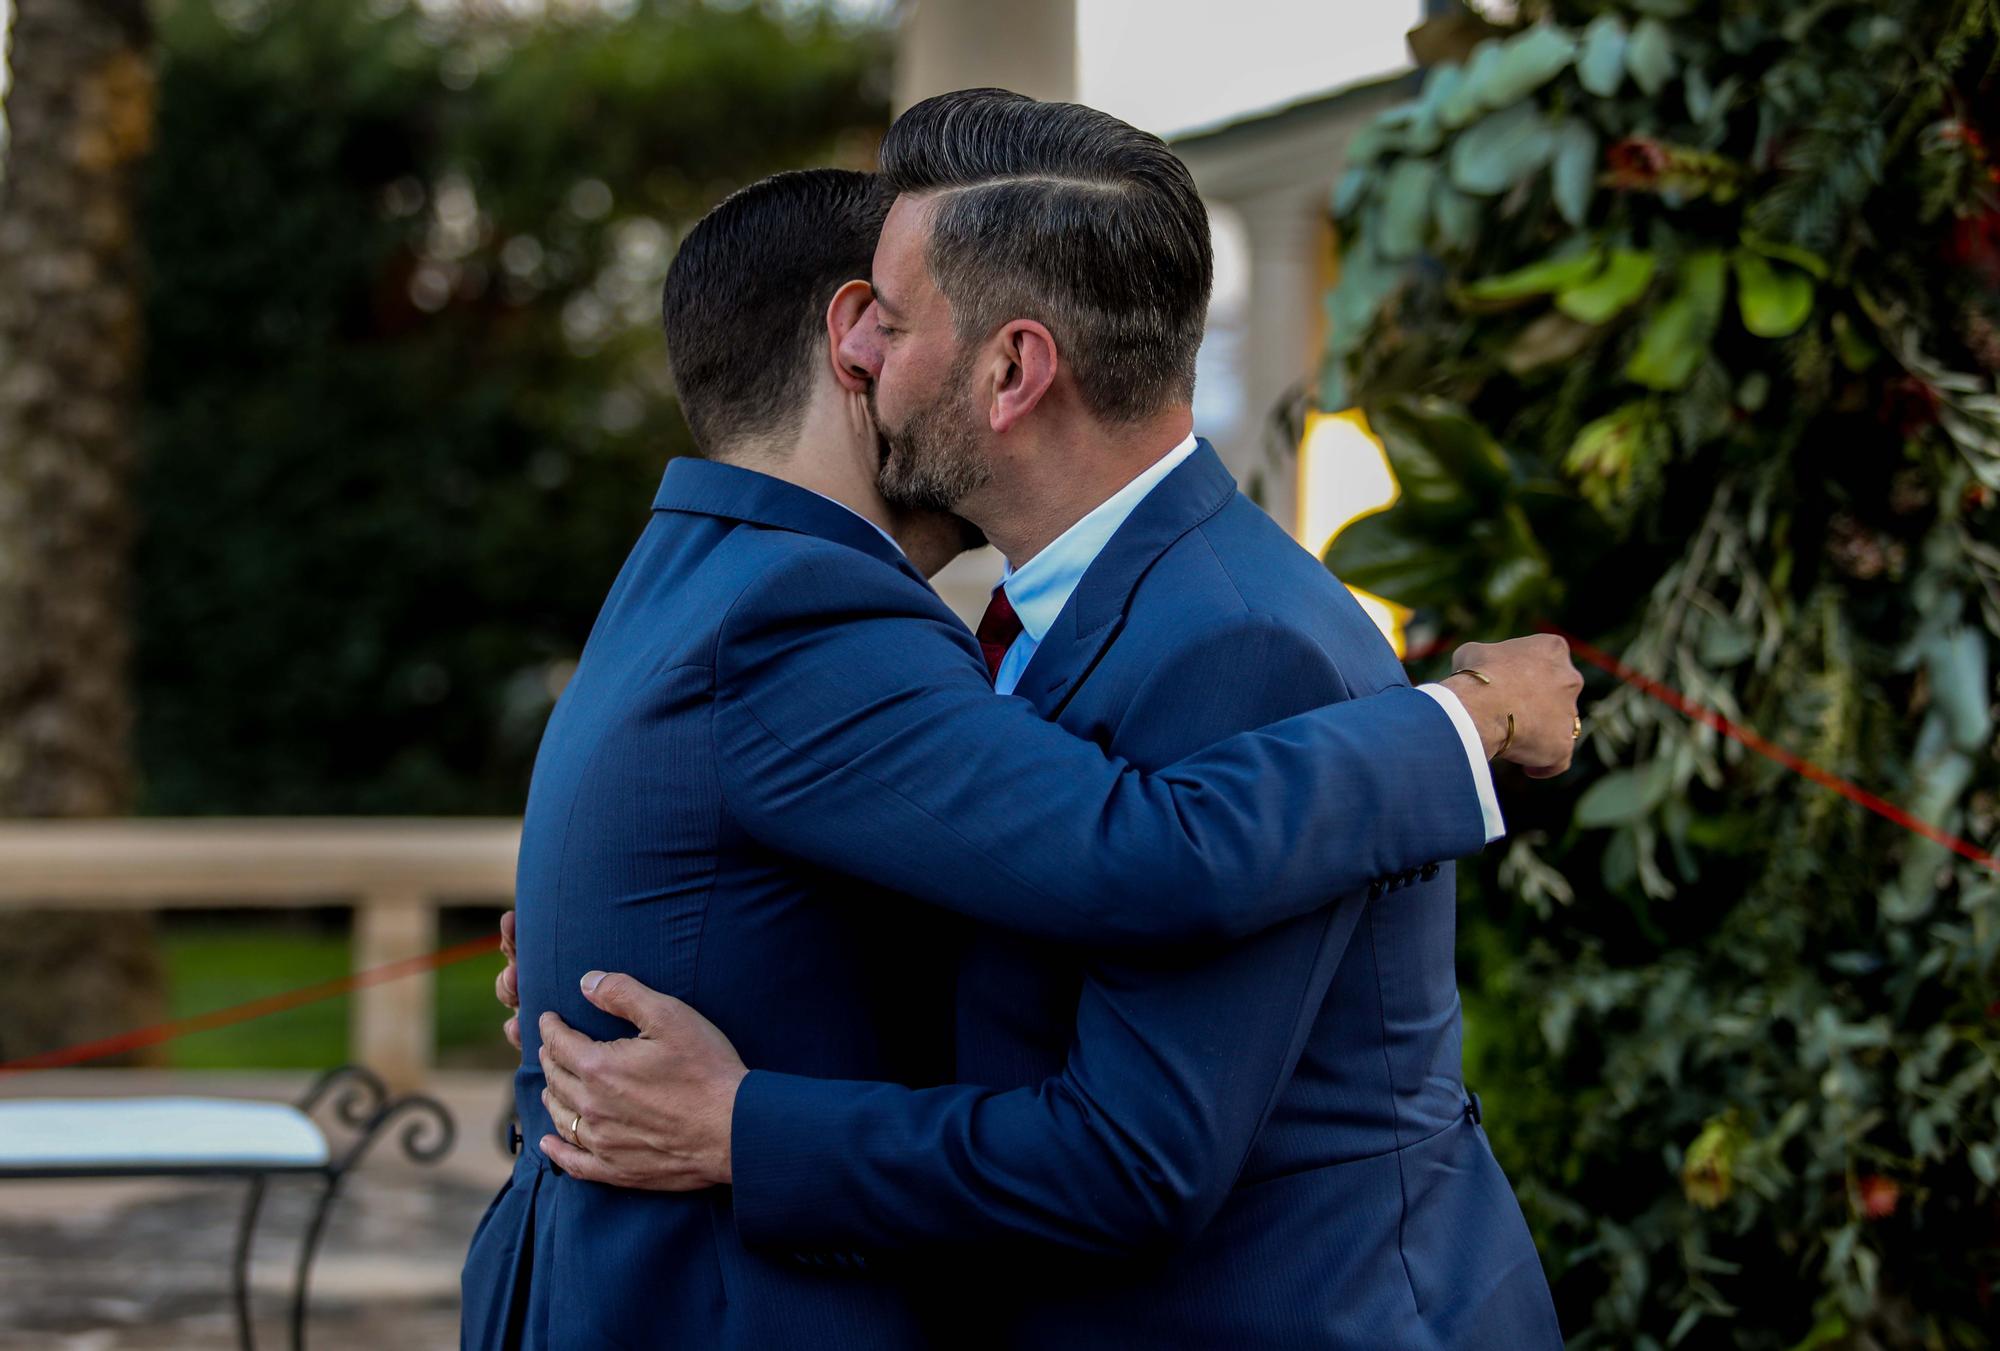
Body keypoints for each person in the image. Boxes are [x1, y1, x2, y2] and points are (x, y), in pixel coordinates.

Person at [513, 93, 1575, 1349]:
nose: (861, 358)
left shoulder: (1239, 643)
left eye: (891, 325)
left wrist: (739, 1125)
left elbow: (1131, 1158)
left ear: (1011, 370)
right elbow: (1028, 918)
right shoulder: (1048, 615)